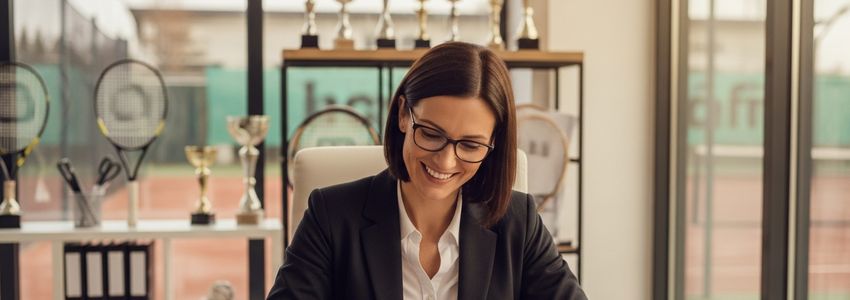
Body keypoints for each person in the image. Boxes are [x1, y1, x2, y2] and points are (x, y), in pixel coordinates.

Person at [267, 42, 587, 300]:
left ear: (494, 144)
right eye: (432, 134)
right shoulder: (332, 215)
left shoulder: (519, 220)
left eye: (471, 146)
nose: (445, 162)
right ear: (405, 114)